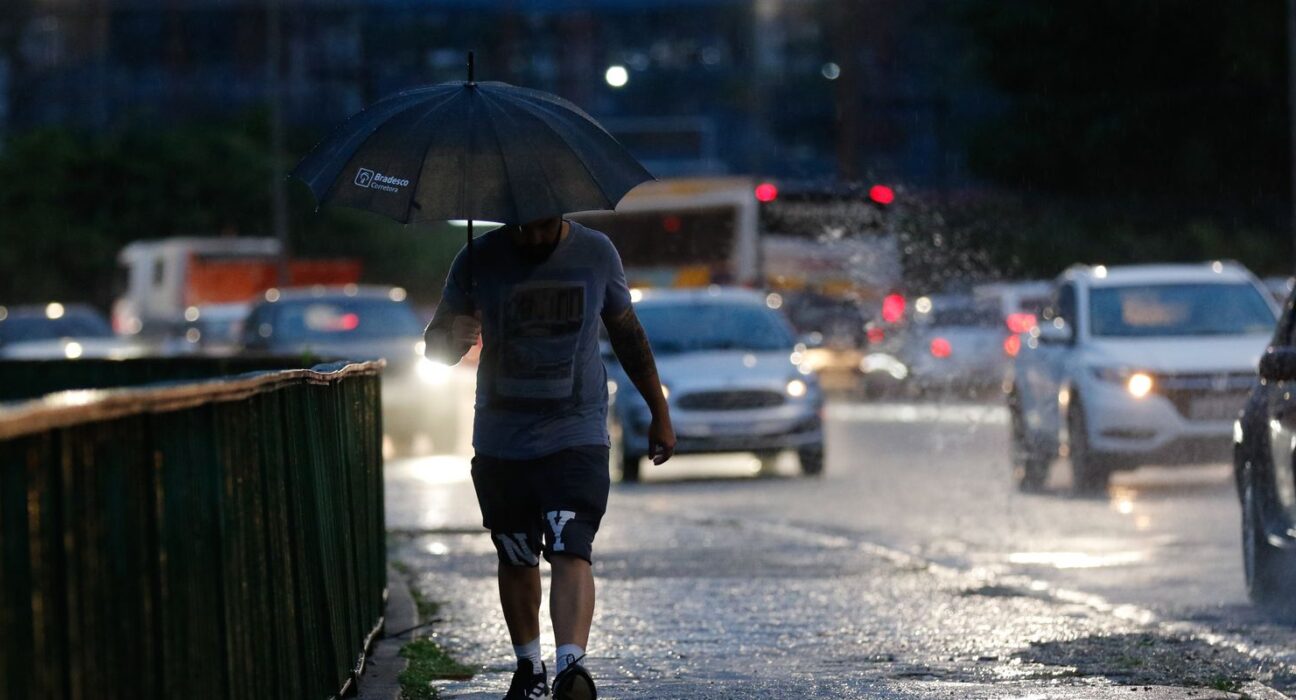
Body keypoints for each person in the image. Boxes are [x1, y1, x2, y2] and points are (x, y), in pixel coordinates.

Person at [423, 215, 675, 700]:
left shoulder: (596, 253)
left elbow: (627, 334)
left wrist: (658, 411)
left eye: (541, 228)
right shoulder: (476, 259)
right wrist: (454, 335)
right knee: (516, 553)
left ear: (559, 213)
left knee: (570, 544)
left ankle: (570, 669)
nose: (531, 238)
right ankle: (528, 667)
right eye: (521, 229)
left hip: (575, 432)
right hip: (501, 439)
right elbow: (435, 352)